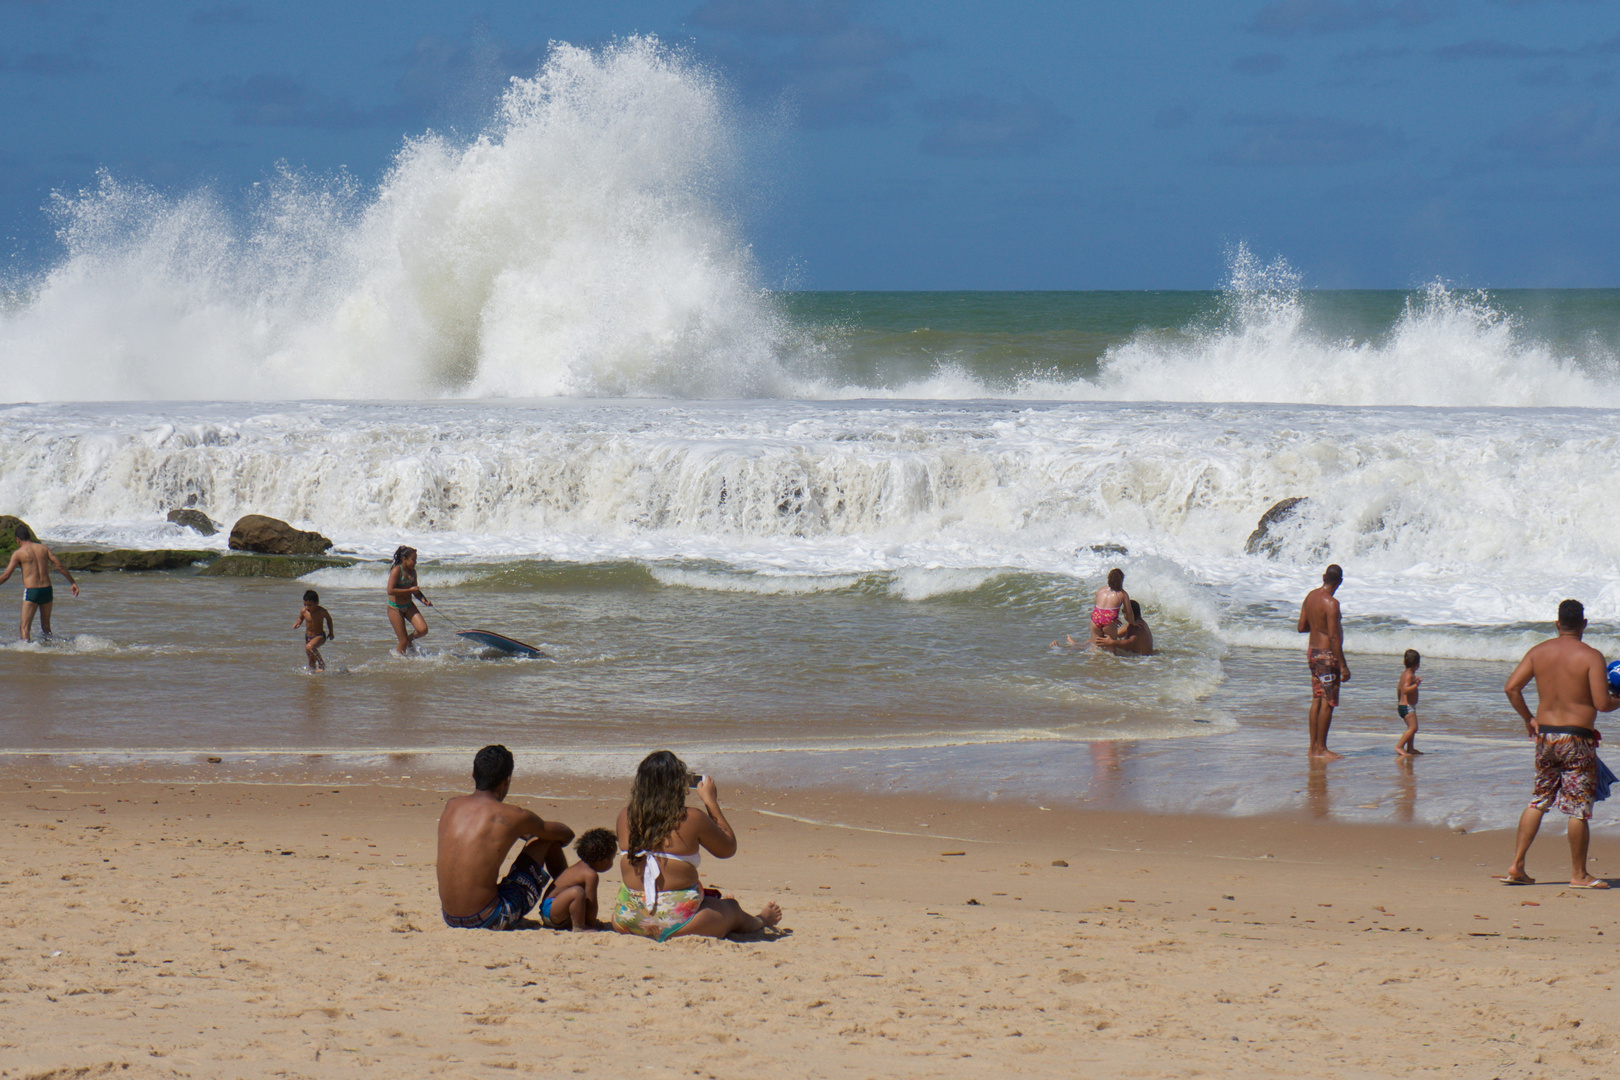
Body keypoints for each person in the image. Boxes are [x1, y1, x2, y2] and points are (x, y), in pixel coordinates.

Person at [1500, 599, 1615, 889]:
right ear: (1584, 624)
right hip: (1577, 738)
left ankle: (1517, 865)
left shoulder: (1539, 652)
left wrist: (1528, 718)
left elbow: (1511, 687)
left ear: (1557, 623)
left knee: (1539, 799)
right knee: (1577, 808)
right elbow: (1602, 703)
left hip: (1546, 736)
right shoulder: (1590, 656)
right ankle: (1579, 874)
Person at [613, 751, 782, 941]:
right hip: (677, 923)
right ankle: (761, 920)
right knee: (731, 908)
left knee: (712, 902)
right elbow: (727, 848)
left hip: (628, 919)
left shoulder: (625, 816)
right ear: (677, 785)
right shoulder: (691, 818)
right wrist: (710, 801)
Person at [437, 745, 576, 929]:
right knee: (546, 840)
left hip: (450, 917)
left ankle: (562, 902)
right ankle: (561, 907)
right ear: (506, 780)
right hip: (487, 917)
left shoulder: (452, 806)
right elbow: (566, 834)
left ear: (473, 774)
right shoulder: (513, 816)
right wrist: (527, 831)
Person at [1297, 563, 1349, 760]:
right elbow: (1334, 638)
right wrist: (1343, 665)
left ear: (1323, 577)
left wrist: (1317, 627)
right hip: (1327, 656)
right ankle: (1322, 749)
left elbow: (1301, 627)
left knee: (1317, 699)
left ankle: (1313, 748)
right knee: (1328, 702)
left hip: (1312, 653)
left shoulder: (1310, 597)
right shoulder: (1332, 604)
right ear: (1340, 582)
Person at [0, 523, 79, 642]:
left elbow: (6, 575)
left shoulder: (19, 553)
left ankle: (26, 653)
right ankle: (49, 649)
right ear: (29, 536)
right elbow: (59, 565)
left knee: (25, 627)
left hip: (32, 591)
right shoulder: (43, 548)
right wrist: (72, 582)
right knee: (46, 627)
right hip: (47, 590)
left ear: (17, 540)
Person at [538, 828, 617, 931]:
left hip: (551, 910)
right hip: (551, 910)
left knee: (578, 894)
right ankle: (579, 927)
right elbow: (591, 904)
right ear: (603, 861)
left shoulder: (579, 867)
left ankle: (577, 923)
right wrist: (591, 924)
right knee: (577, 892)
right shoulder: (590, 875)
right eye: (612, 859)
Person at [386, 546, 432, 655]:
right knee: (403, 641)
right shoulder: (397, 570)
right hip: (394, 608)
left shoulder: (413, 572)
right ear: (404, 559)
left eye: (416, 560)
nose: (415, 562)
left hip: (408, 605)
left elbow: (415, 591)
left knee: (423, 629)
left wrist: (424, 600)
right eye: (413, 560)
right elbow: (390, 590)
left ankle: (410, 639)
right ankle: (399, 660)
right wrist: (409, 589)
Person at [294, 589, 335, 672]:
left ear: (317, 603)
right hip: (308, 637)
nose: (307, 607)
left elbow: (329, 620)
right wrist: (298, 623)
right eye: (305, 604)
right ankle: (314, 679)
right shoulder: (304, 611)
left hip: (319, 636)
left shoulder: (322, 612)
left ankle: (322, 664)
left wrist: (331, 632)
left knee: (310, 647)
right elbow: (300, 618)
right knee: (311, 661)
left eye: (309, 605)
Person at [1089, 568, 1132, 646]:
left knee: (1095, 646)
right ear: (1121, 580)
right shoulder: (1122, 594)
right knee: (1110, 647)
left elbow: (1100, 607)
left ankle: (1092, 658)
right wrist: (1133, 623)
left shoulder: (1101, 590)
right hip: (1109, 619)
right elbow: (1129, 613)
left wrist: (1111, 616)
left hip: (1096, 617)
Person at [1395, 649, 1423, 756]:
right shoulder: (1410, 676)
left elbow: (1398, 689)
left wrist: (1399, 702)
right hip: (1407, 707)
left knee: (1410, 728)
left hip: (1404, 706)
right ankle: (1399, 746)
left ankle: (1410, 748)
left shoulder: (1404, 674)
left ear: (1404, 662)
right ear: (1417, 665)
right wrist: (1416, 685)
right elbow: (1405, 690)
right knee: (1413, 728)